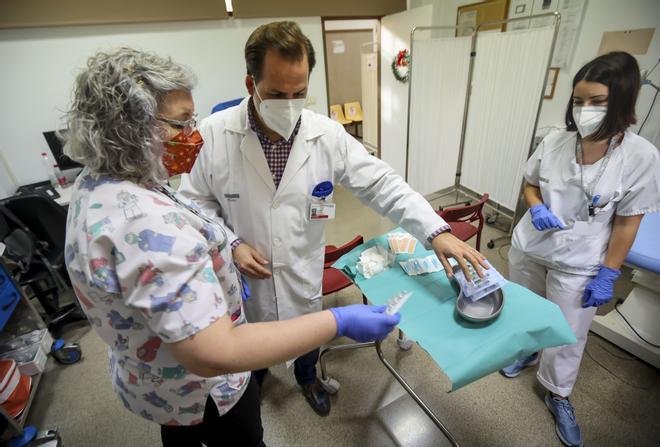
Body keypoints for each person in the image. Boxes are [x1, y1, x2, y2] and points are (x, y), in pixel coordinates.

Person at [62, 47, 402, 447]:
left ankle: (305, 377)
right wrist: (339, 322)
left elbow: (379, 182)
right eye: (182, 122)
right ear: (132, 127)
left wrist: (217, 251)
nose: (194, 133)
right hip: (200, 388)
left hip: (159, 379)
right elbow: (214, 352)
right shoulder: (144, 222)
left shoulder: (100, 184)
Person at [178, 21, 489, 416]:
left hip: (302, 274)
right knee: (250, 352)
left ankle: (309, 378)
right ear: (249, 83)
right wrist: (232, 243)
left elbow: (382, 184)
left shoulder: (326, 135)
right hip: (247, 280)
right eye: (276, 93)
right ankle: (255, 380)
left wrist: (437, 231)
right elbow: (192, 205)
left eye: (300, 93)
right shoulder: (214, 134)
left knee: (308, 337)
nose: (289, 104)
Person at [500, 51, 660, 447]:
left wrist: (609, 272)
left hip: (580, 260)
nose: (584, 110)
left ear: (622, 100)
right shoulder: (556, 140)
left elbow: (628, 221)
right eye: (578, 100)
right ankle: (527, 352)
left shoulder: (640, 156)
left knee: (569, 333)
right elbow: (531, 184)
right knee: (525, 309)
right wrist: (535, 208)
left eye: (596, 102)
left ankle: (558, 394)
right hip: (532, 246)